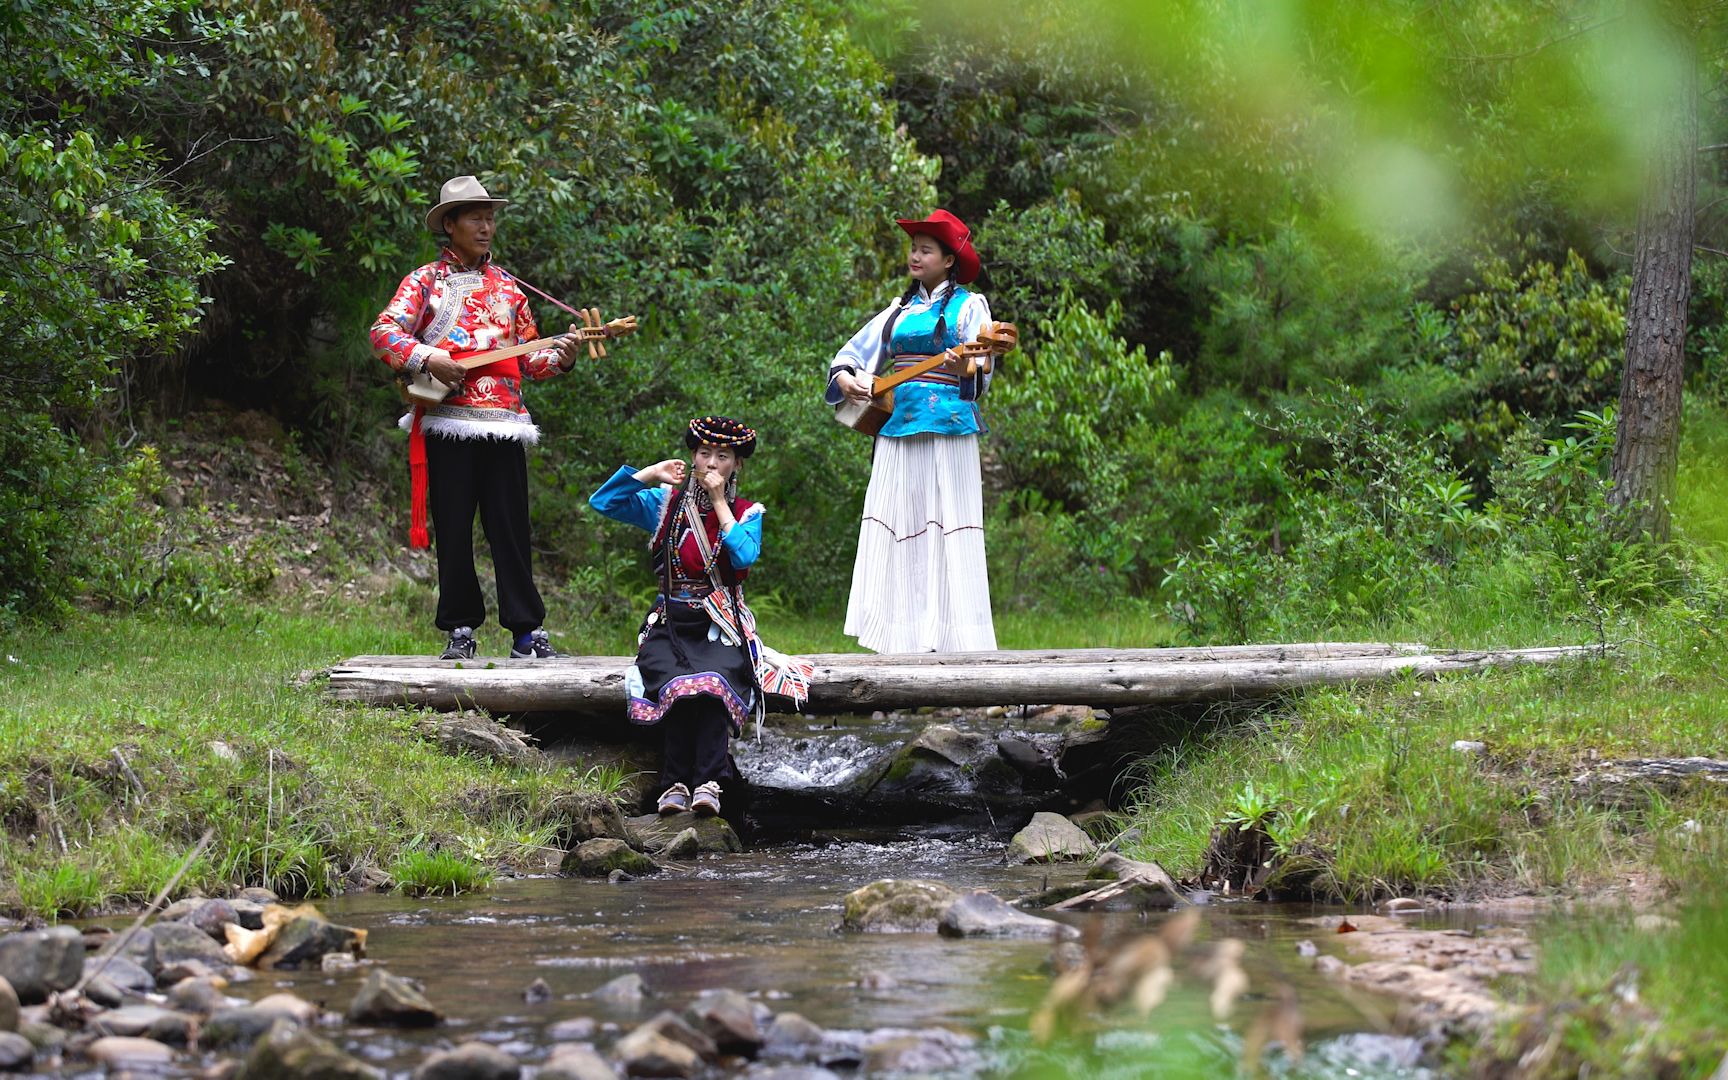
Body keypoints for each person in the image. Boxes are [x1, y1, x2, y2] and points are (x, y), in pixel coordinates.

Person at [370, 175, 597, 660]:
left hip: (505, 423)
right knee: (453, 527)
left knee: (511, 528)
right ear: (449, 224)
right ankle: (460, 630)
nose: (486, 226)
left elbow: (532, 362)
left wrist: (566, 353)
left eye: (490, 217)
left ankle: (526, 633)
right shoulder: (425, 281)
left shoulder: (510, 288)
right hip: (448, 420)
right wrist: (429, 359)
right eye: (475, 217)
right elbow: (384, 331)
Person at [588, 417, 809, 817]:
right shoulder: (664, 504)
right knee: (678, 683)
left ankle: (708, 784)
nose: (710, 462)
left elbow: (743, 557)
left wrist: (720, 502)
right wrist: (650, 473)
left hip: (719, 626)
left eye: (722, 456)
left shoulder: (746, 512)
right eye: (704, 453)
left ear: (736, 465)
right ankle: (674, 784)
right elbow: (604, 502)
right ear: (692, 456)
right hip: (670, 624)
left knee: (712, 684)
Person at [826, 209, 1001, 653]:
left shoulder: (970, 306)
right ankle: (900, 639)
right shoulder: (898, 310)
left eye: (926, 249)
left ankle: (959, 641)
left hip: (948, 429)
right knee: (899, 522)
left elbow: (981, 370)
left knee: (950, 525)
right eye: (913, 248)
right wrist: (848, 378)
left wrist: (967, 363)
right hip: (898, 428)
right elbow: (850, 355)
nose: (915, 256)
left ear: (949, 260)